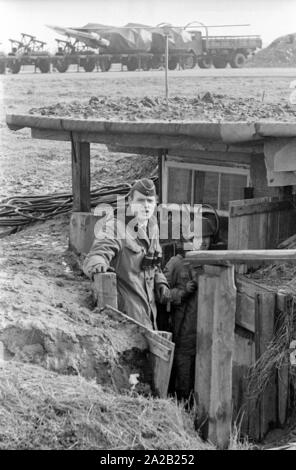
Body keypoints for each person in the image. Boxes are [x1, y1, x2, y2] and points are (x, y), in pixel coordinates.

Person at [83, 178, 170, 330]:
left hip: (149, 313)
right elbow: (97, 254)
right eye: (140, 200)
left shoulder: (152, 227)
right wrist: (99, 266)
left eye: (150, 201)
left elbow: (154, 265)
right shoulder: (115, 227)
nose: (146, 206)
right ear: (130, 201)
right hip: (127, 316)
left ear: (155, 202)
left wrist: (160, 282)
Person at [163, 216, 216, 401]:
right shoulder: (177, 264)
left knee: (202, 385)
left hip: (205, 337)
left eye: (207, 238)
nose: (204, 243)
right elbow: (161, 294)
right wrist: (182, 292)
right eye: (199, 238)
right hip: (182, 334)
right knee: (182, 384)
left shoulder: (213, 264)